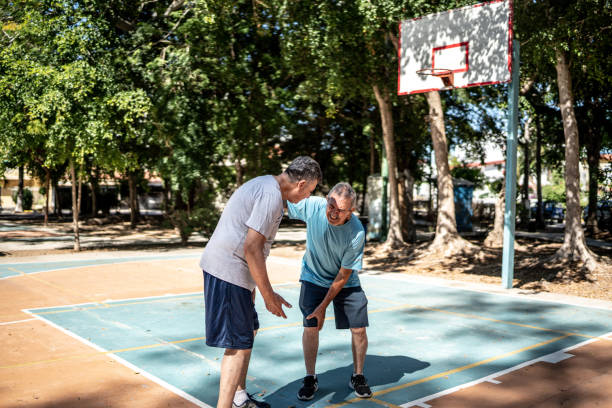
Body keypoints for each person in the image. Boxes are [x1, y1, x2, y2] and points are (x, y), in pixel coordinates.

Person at [200, 156, 322, 408]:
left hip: (235, 275)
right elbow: (252, 248)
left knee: (247, 333)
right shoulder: (272, 198)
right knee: (237, 346)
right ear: (300, 184)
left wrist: (253, 289)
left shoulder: (265, 183)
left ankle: (239, 397)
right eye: (309, 191)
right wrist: (269, 296)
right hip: (228, 272)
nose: (306, 197)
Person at [287, 182, 372, 401]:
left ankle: (358, 375)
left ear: (350, 212)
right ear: (327, 200)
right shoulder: (314, 206)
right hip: (313, 276)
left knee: (359, 328)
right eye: (331, 206)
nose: (333, 213)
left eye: (340, 210)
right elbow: (284, 199)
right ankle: (310, 377)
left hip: (344, 282)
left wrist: (323, 307)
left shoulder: (356, 233)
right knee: (311, 326)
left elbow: (343, 276)